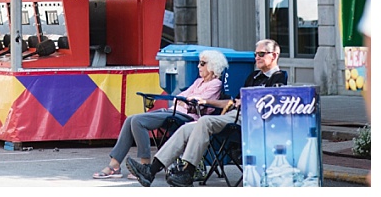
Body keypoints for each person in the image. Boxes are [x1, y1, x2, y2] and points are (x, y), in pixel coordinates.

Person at [126, 39, 287, 187]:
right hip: (232, 115)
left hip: (250, 120)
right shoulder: (253, 76)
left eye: (261, 54)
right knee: (186, 128)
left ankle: (188, 172)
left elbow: (269, 104)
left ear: (274, 55)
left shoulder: (279, 77)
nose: (257, 57)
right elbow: (232, 102)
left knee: (204, 121)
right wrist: (207, 102)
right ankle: (151, 171)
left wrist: (245, 101)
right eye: (255, 54)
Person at [93, 49, 228, 179]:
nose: (198, 66)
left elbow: (197, 103)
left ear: (212, 66)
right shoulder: (199, 82)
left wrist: (185, 101)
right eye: (199, 63)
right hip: (174, 111)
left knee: (138, 121)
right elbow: (179, 97)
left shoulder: (215, 84)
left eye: (202, 63)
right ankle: (115, 165)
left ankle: (145, 165)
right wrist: (184, 101)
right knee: (130, 119)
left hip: (186, 117)